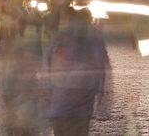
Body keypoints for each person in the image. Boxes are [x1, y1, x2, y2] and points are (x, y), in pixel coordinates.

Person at [46, 8, 109, 136]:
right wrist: (101, 91)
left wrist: (48, 87)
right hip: (83, 98)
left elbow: (48, 60)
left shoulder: (62, 36)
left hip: (61, 101)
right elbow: (100, 64)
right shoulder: (95, 37)